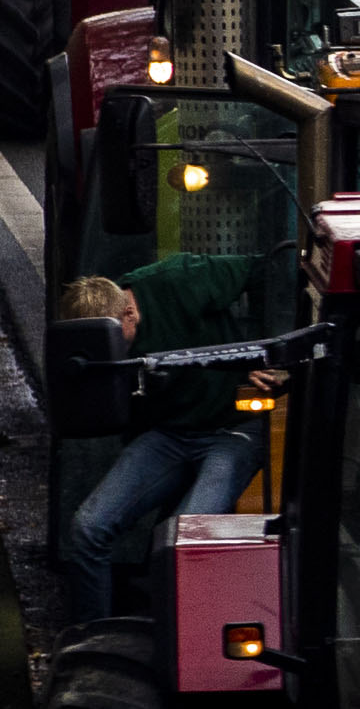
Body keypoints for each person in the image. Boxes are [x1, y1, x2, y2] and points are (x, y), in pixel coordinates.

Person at [57, 248, 288, 620]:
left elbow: (270, 271)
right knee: (88, 529)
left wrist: (263, 356)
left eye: (118, 339)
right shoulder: (102, 344)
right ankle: (93, 635)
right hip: (170, 434)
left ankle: (175, 638)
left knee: (187, 534)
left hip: (233, 429)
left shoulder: (180, 279)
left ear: (129, 313)